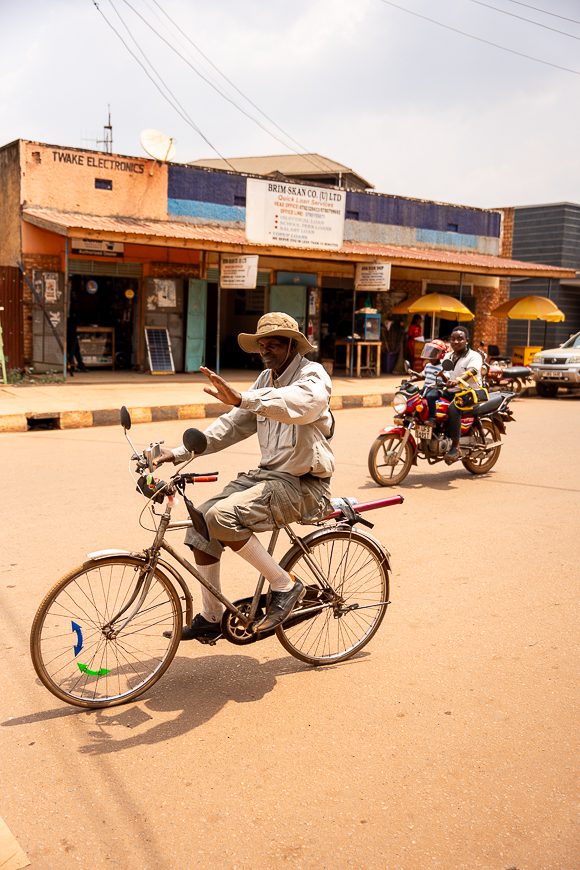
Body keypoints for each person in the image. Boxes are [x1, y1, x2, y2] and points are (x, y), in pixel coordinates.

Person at [154, 312, 335, 641]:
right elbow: (232, 424)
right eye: (262, 344)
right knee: (201, 524)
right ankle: (211, 616)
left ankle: (285, 584)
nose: (266, 350)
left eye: (274, 344)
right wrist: (179, 452)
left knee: (222, 516)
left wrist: (245, 398)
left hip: (304, 484)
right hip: (269, 477)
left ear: (293, 345)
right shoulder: (265, 378)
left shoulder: (313, 375)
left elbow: (303, 404)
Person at [441, 326, 484, 463]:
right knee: (429, 398)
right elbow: (445, 372)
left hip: (470, 392)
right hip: (453, 391)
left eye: (460, 339)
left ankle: (455, 447)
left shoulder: (474, 356)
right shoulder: (448, 356)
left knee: (453, 409)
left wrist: (458, 380)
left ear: (467, 341)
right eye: (453, 339)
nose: (455, 341)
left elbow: (472, 371)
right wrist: (442, 377)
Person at [419, 339, 448, 421]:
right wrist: (413, 376)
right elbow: (422, 375)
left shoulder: (443, 367)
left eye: (434, 353)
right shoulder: (428, 365)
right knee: (415, 396)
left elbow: (447, 380)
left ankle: (432, 417)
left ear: (441, 355)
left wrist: (442, 375)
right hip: (426, 388)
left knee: (430, 397)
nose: (431, 356)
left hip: (436, 389)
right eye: (430, 353)